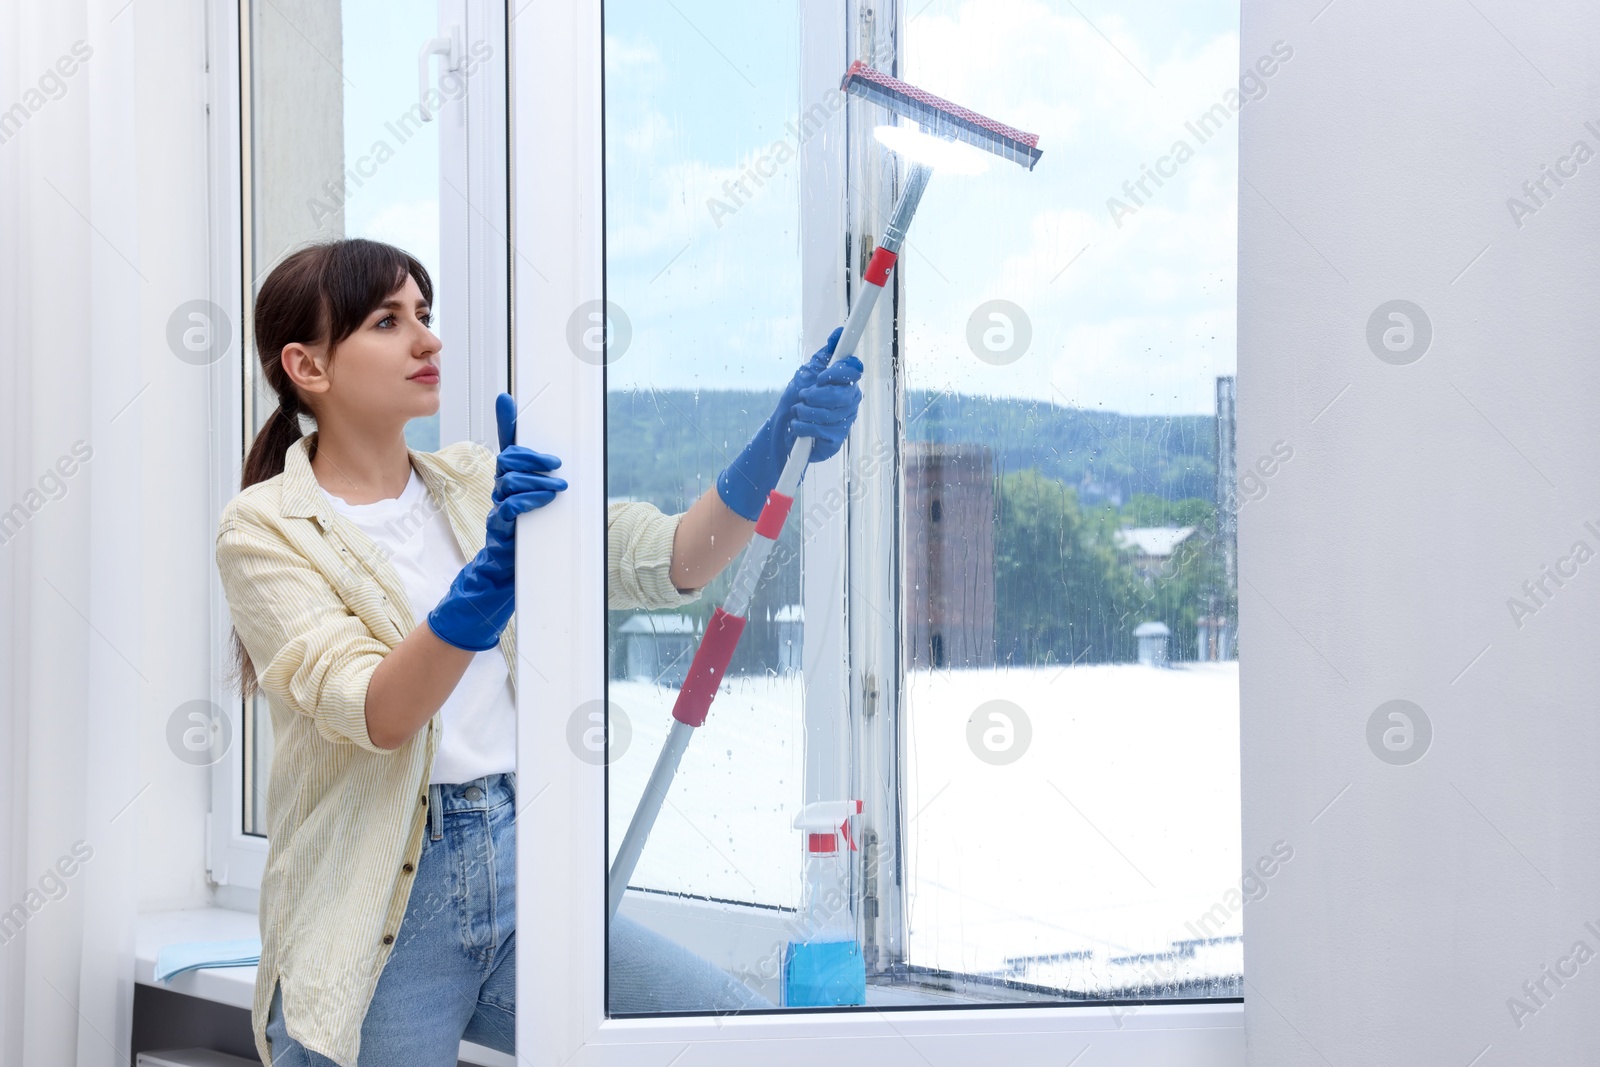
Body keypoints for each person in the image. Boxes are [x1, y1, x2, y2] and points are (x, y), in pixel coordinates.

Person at [215, 238, 864, 1066]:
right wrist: (490, 581)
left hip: (520, 869)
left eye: (426, 313)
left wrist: (775, 444)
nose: (427, 339)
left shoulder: (478, 481)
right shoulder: (266, 526)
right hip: (374, 912)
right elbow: (378, 710)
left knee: (732, 1036)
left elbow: (671, 559)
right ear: (307, 366)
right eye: (387, 320)